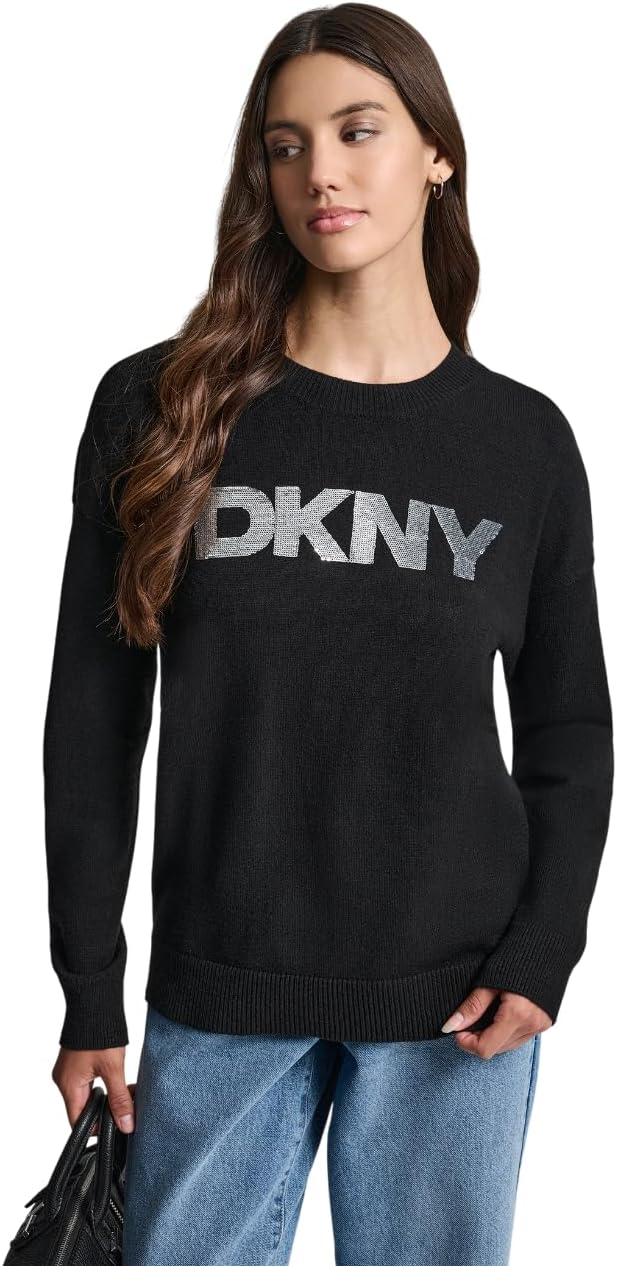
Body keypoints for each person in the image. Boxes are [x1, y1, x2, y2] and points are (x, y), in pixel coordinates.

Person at [43, 6, 613, 1265]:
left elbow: (569, 729)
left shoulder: (520, 443)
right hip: (221, 983)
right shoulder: (159, 406)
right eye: (285, 144)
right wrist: (88, 988)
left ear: (436, 154)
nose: (320, 174)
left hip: (458, 1006)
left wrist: (542, 952)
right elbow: (92, 720)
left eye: (359, 132)